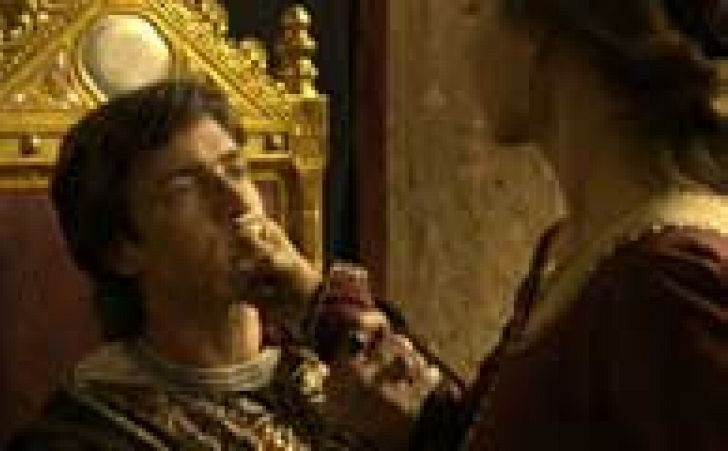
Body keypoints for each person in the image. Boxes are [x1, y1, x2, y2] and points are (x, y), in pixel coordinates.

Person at [309, 0, 728, 449]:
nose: (464, 45)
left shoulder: (670, 279)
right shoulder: (573, 248)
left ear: (537, 35)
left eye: (475, 10)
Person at [8, 79, 446, 450]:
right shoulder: (85, 433)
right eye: (185, 189)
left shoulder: (338, 367)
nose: (238, 203)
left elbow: (465, 430)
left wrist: (322, 304)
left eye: (235, 170)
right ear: (122, 249)